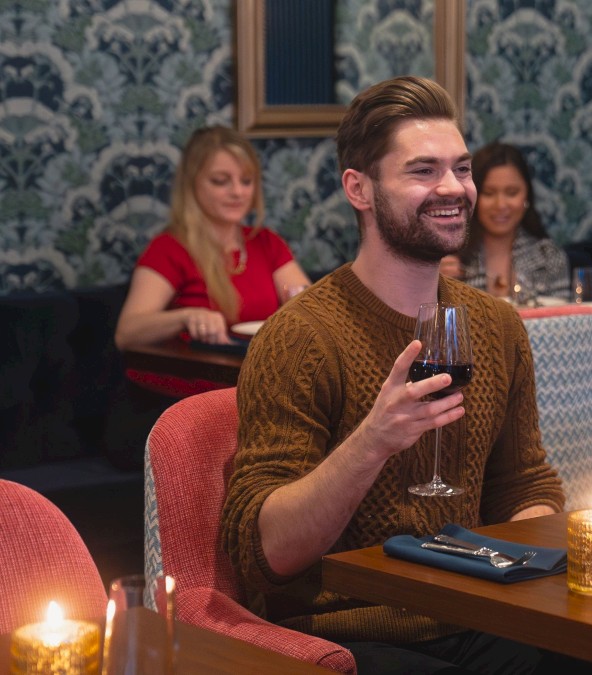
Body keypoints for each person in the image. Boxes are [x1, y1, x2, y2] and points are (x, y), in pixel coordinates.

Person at [219, 76, 566, 674]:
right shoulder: (300, 336)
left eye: (460, 168)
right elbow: (265, 554)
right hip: (348, 634)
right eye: (424, 171)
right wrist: (374, 441)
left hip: (481, 612)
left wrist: (530, 547)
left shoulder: (497, 326)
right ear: (359, 188)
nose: (454, 188)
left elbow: (525, 484)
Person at [114, 125, 310, 353]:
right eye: (220, 181)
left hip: (259, 373)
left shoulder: (266, 242)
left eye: (246, 181)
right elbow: (127, 333)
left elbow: (306, 304)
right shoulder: (169, 248)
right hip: (199, 377)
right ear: (192, 184)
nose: (238, 192)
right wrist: (186, 317)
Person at [439, 142, 570, 300]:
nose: (500, 205)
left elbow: (562, 319)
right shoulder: (447, 255)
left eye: (512, 193)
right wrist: (434, 283)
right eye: (488, 193)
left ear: (526, 197)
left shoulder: (548, 256)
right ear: (472, 196)